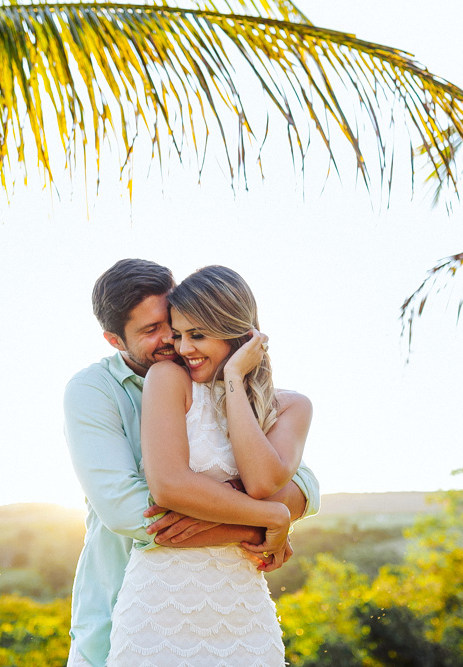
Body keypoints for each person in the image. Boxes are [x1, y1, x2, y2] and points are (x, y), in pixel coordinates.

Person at [64, 259, 319, 667]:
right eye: (151, 331)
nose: (174, 342)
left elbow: (298, 482)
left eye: (177, 324)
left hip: (234, 601)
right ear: (115, 340)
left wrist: (269, 509)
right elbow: (132, 510)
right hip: (125, 605)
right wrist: (261, 523)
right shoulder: (94, 391)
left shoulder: (228, 386)